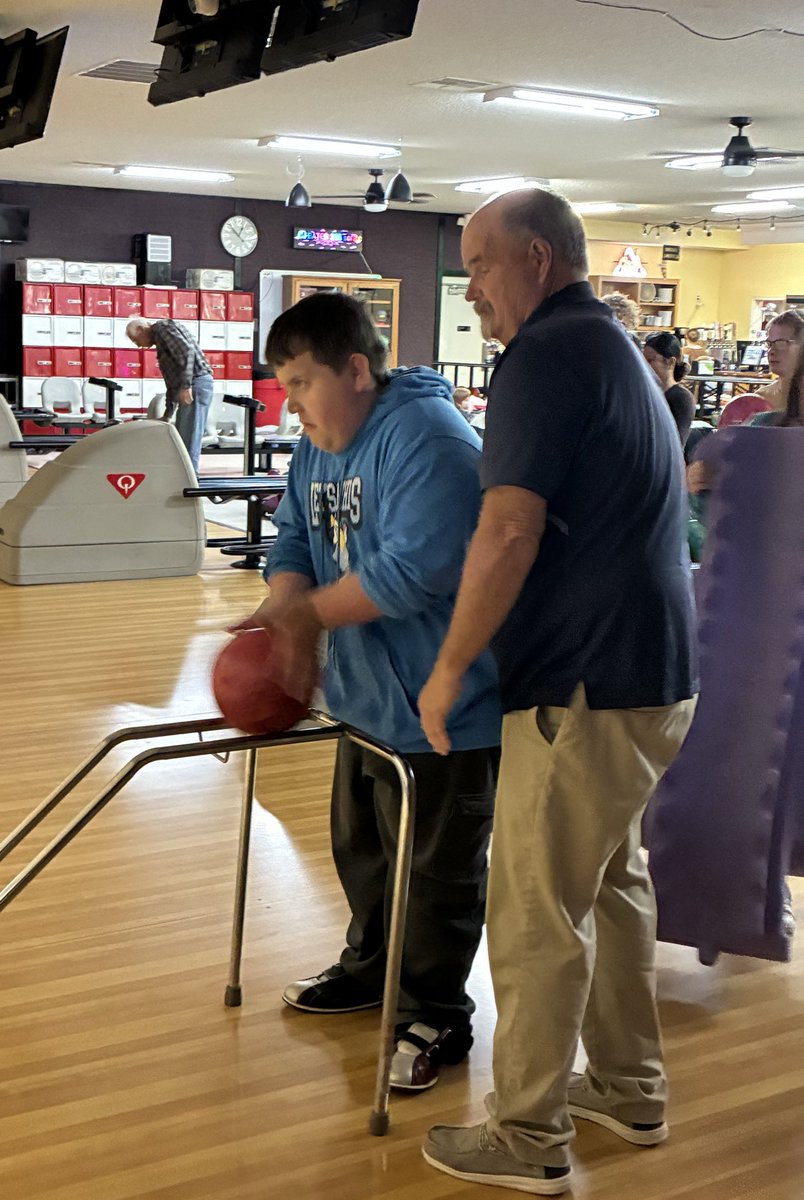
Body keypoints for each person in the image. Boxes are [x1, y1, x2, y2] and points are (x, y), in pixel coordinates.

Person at [417, 188, 698, 1194]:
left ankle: (528, 1136)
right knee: (613, 886)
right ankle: (631, 1085)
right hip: (655, 676)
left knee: (537, 909)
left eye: (481, 265)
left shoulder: (543, 357)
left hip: (583, 681)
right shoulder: (611, 347)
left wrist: (449, 669)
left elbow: (508, 527)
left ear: (537, 258)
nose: (473, 288)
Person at [233, 292, 501, 1091]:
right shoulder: (319, 444)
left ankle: (437, 1014)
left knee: (438, 872)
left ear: (356, 370)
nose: (291, 404)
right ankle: (370, 968)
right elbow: (291, 535)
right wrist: (284, 603)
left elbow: (415, 573)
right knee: (367, 852)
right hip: (363, 701)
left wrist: (304, 620)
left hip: (446, 706)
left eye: (301, 383)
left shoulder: (431, 439)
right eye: (281, 385)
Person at [125, 317, 213, 473]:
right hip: (190, 383)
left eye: (135, 340)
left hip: (195, 383)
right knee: (181, 439)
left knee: (189, 438)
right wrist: (168, 413)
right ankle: (184, 478)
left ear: (140, 329)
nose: (138, 346)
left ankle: (190, 483)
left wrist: (186, 386)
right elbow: (172, 380)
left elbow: (186, 352)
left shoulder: (163, 328)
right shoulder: (161, 341)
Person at [643, 331, 695, 446]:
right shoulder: (647, 393)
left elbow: (676, 443)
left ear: (671, 362)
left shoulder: (681, 397)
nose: (645, 366)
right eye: (643, 361)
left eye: (651, 360)